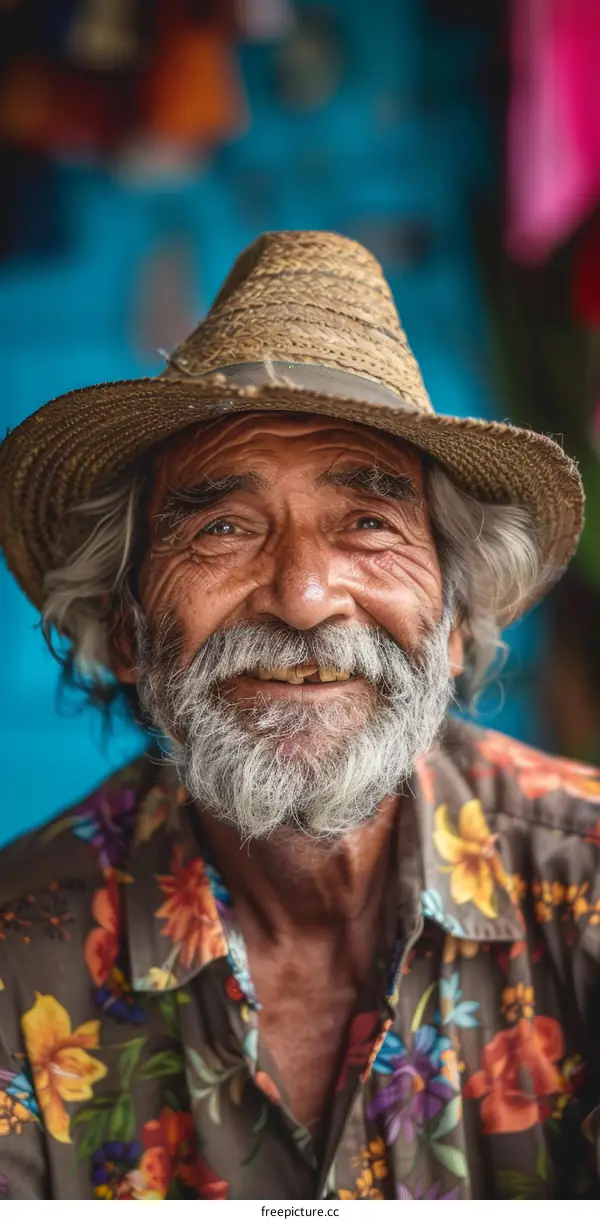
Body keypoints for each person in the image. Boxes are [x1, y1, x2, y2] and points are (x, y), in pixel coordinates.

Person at [0, 230, 598, 1202]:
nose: (304, 594)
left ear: (454, 625)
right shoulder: (19, 953)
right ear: (124, 625)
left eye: (368, 523)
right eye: (223, 527)